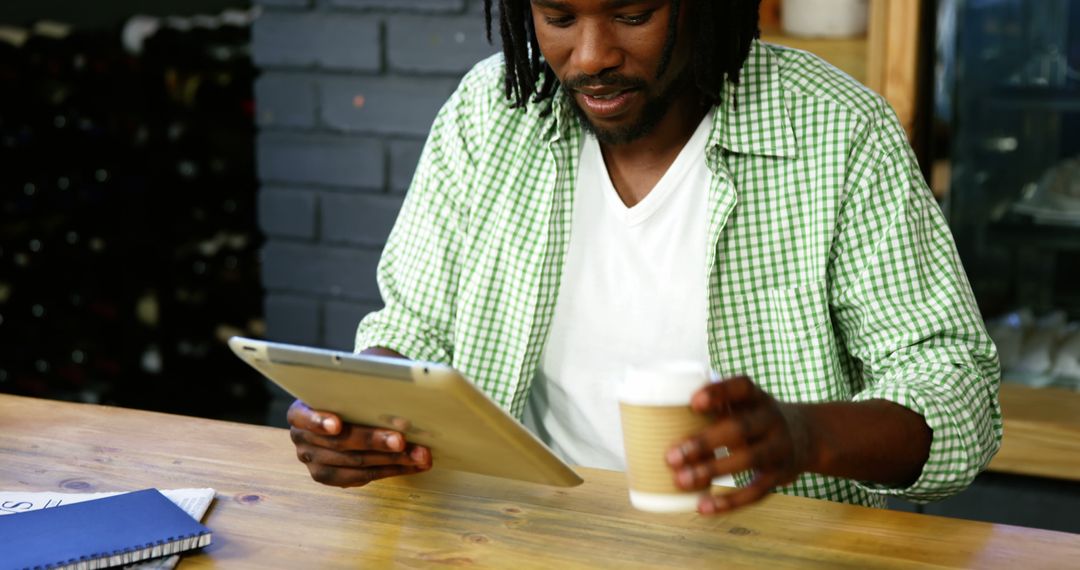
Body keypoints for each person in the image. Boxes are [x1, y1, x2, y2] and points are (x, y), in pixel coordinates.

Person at [288, 0, 1002, 515]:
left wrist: (806, 435)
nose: (591, 55)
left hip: (771, 546)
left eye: (632, 14)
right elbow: (414, 329)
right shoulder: (491, 111)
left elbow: (955, 389)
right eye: (558, 17)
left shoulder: (838, 133)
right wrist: (362, 415)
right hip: (527, 534)